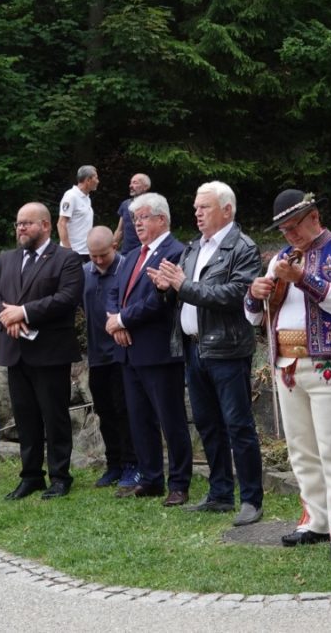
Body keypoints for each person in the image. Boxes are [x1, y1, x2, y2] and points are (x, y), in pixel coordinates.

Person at [245, 189, 331, 561]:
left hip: (328, 360)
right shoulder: (280, 258)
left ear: (314, 216)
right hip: (287, 362)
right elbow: (254, 316)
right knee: (300, 447)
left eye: (294, 226)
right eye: (284, 230)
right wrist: (254, 293)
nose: (290, 235)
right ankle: (316, 520)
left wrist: (301, 278)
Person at [152, 181, 264, 526]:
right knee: (207, 424)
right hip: (194, 346)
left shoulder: (243, 247)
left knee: (238, 425)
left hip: (228, 348)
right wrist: (166, 289)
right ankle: (219, 494)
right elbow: (183, 293)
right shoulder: (193, 247)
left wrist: (182, 285)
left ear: (227, 210)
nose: (197, 213)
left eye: (204, 207)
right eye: (196, 208)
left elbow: (234, 295)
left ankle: (251, 499)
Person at [0, 203, 84, 500]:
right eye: (18, 223)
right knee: (25, 418)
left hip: (50, 352)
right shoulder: (7, 258)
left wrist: (24, 312)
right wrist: (8, 316)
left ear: (46, 225)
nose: (21, 228)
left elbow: (67, 298)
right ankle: (31, 476)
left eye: (27, 223)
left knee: (54, 417)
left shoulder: (66, 259)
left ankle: (60, 476)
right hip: (15, 351)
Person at [105, 193, 192, 506]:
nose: (136, 223)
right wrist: (116, 321)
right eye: (134, 218)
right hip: (129, 350)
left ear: (161, 219)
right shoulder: (131, 255)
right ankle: (151, 477)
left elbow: (160, 302)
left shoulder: (176, 252)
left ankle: (179, 483)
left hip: (159, 350)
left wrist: (122, 319)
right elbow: (114, 292)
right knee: (139, 418)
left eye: (143, 217)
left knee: (171, 419)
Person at [82, 226, 138, 489]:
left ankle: (132, 463)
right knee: (104, 411)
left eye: (103, 255)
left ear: (114, 247)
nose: (98, 261)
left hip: (123, 354)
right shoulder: (85, 273)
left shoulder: (127, 269)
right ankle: (113, 463)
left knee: (124, 410)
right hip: (97, 356)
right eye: (93, 256)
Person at [58, 165, 99, 261]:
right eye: (96, 178)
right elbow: (61, 223)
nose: (98, 181)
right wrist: (68, 250)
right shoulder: (71, 196)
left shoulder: (86, 198)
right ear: (88, 180)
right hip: (74, 252)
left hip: (86, 251)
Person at [113, 173, 151, 254]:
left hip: (146, 253)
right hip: (127, 254)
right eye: (131, 183)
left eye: (135, 183)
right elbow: (120, 230)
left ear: (145, 187)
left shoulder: (153, 205)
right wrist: (111, 248)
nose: (130, 186)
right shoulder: (125, 204)